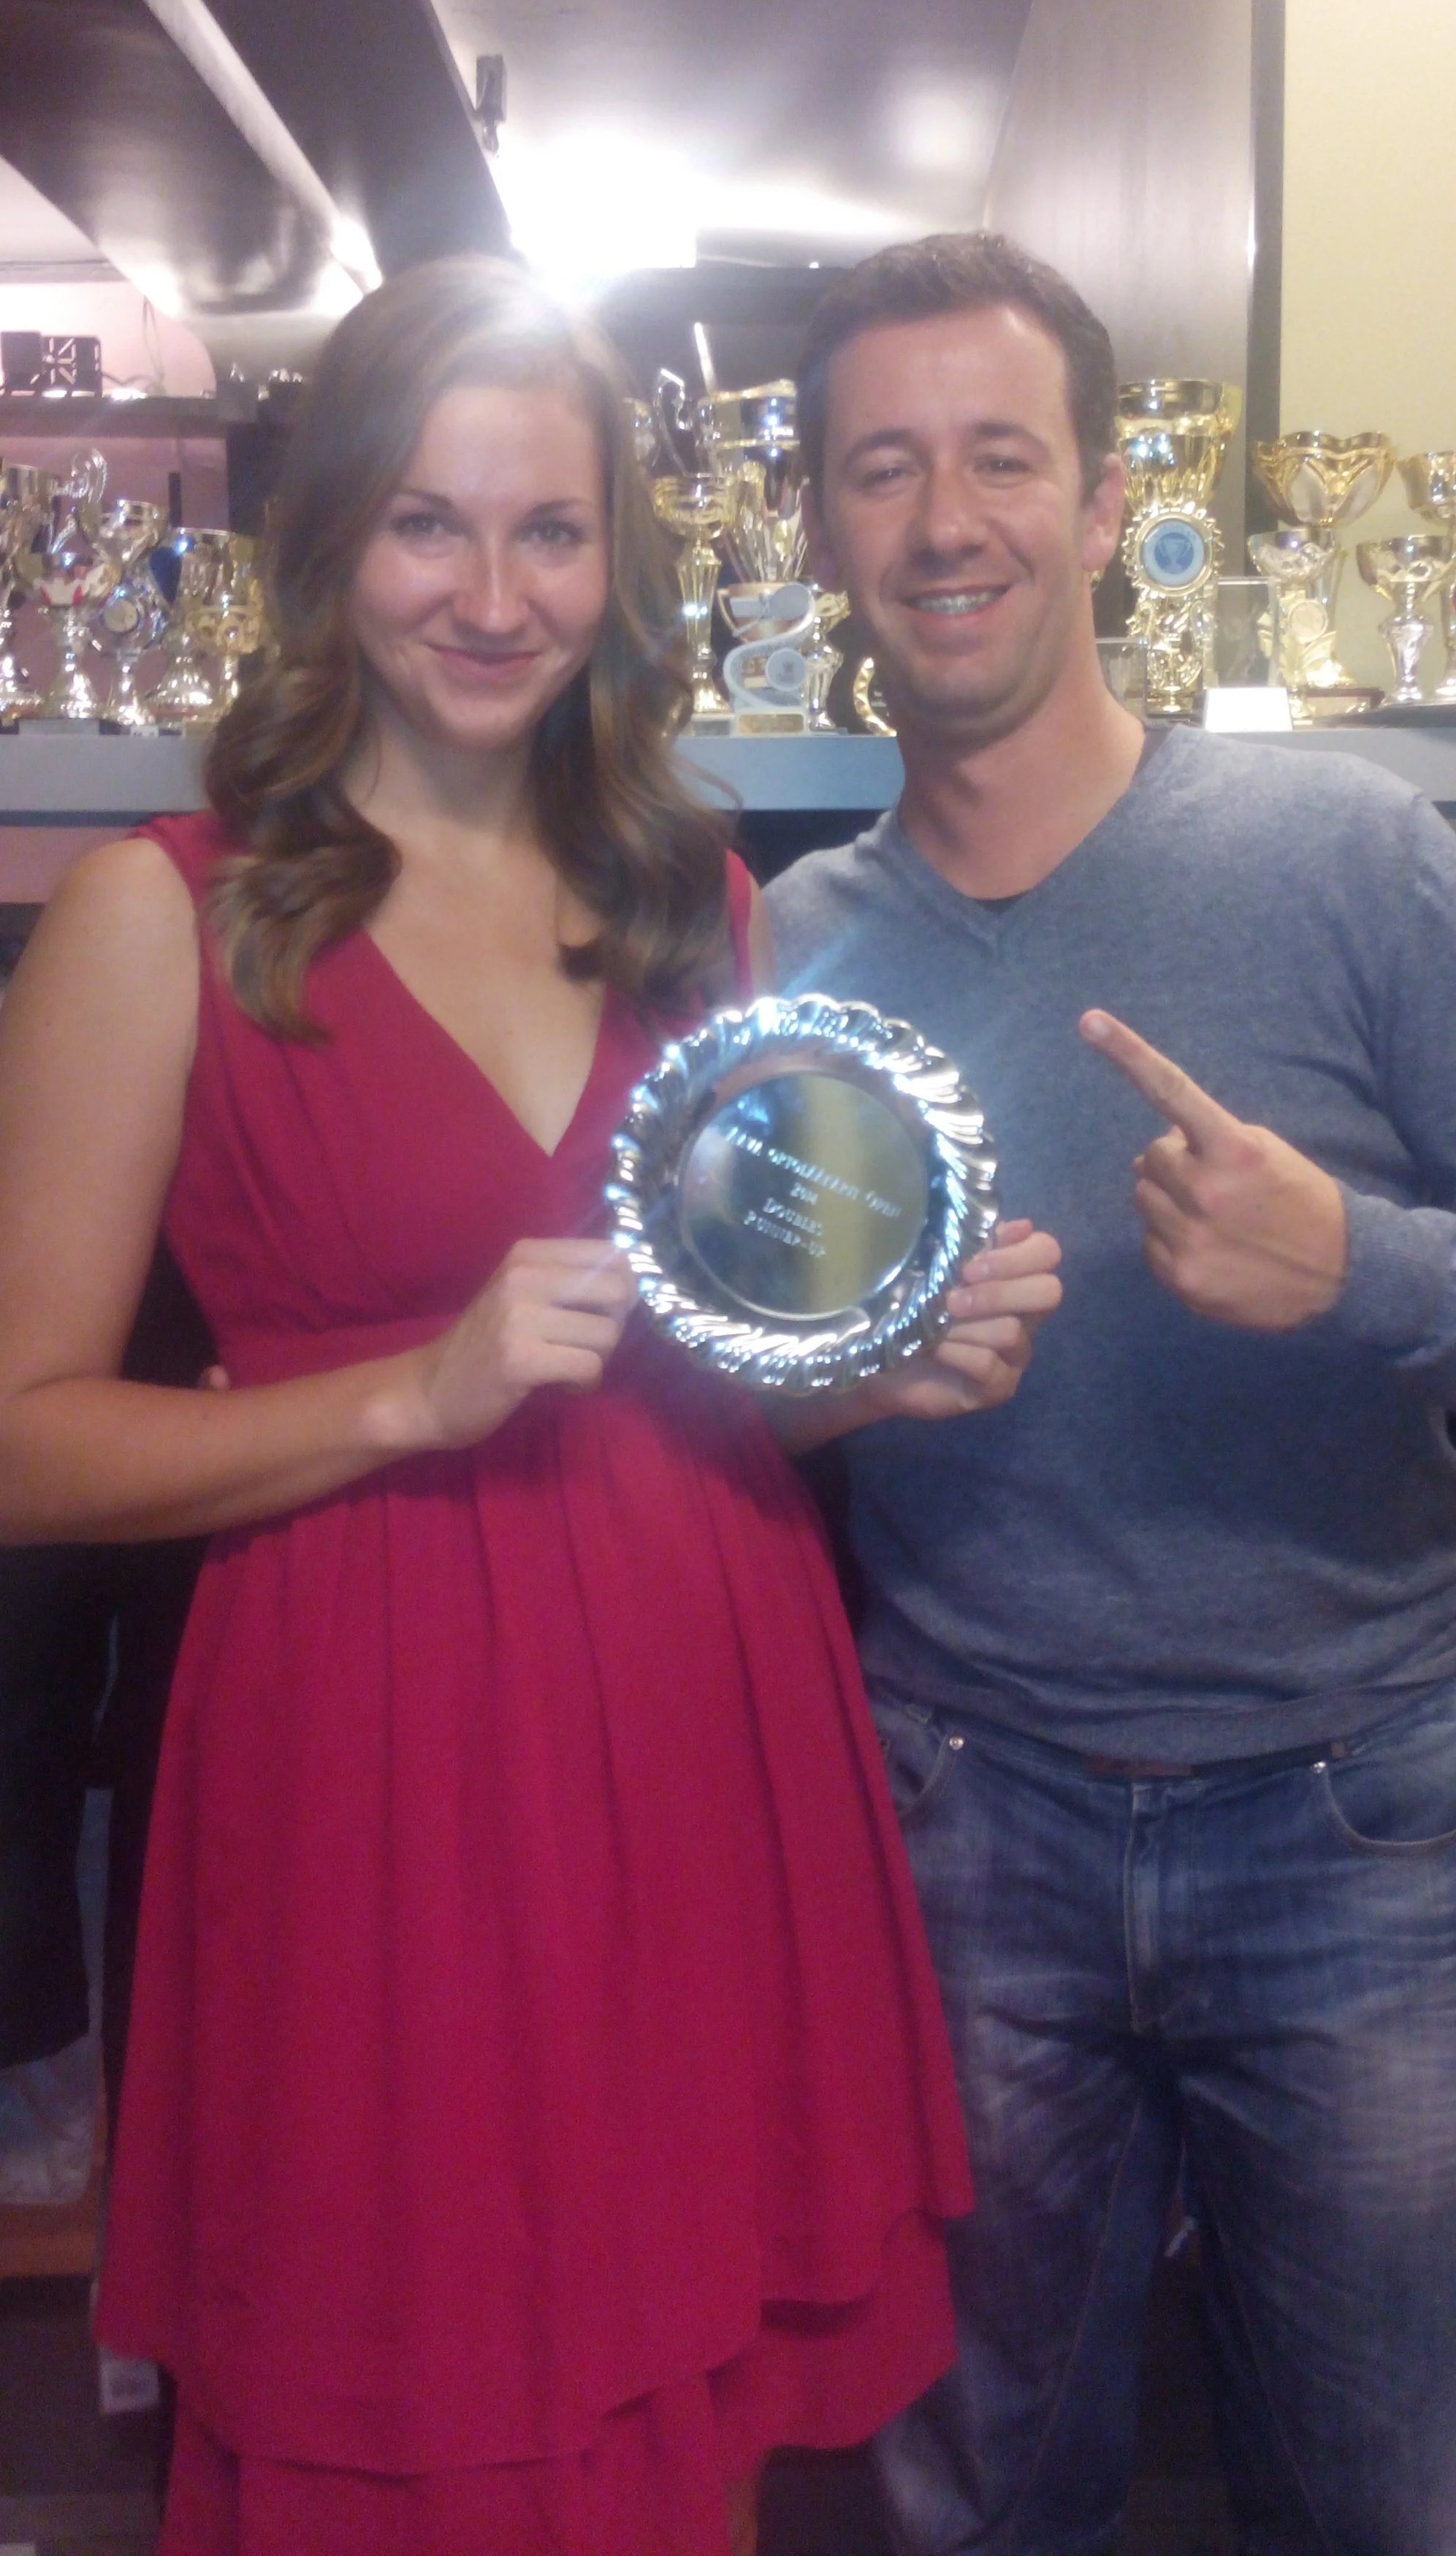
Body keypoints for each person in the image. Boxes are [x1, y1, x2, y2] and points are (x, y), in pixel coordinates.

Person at [0, 254, 1063, 2556]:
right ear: (330, 544)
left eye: (551, 533)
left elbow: (722, 1382)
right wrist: (407, 1393)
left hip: (707, 1710)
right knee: (422, 2396)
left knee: (669, 2419)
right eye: (426, 524)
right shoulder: (159, 918)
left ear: (620, 564)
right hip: (378, 1749)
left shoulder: (691, 896)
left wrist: (877, 1375)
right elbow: (23, 1435)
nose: (492, 594)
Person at [763, 229, 1456, 2556]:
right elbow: (715, 1409)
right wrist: (843, 1390)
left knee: (1385, 2509)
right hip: (970, 1828)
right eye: (886, 468)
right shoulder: (787, 959)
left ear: (1104, 510)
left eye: (1000, 457)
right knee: (979, 2501)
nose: (944, 518)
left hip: (1355, 1824)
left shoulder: (1347, 854)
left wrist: (1360, 1266)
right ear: (823, 530)